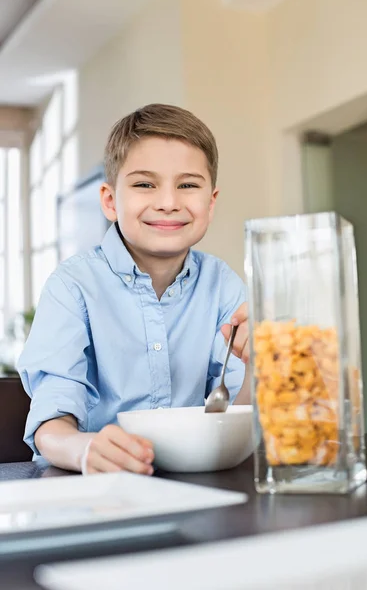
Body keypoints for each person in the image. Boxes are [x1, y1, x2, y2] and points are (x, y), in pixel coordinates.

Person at [18, 103, 250, 475]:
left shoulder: (224, 285)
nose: (168, 203)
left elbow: (235, 412)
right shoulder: (72, 287)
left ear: (210, 201)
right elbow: (51, 422)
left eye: (188, 185)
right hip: (94, 491)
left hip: (193, 483)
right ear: (110, 201)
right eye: (144, 184)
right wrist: (84, 449)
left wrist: (257, 365)